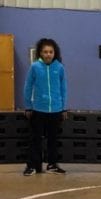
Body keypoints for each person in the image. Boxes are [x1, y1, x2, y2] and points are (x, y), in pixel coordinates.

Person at [23, 38, 68, 176]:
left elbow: (63, 88)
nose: (48, 54)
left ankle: (52, 165)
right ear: (40, 53)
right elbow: (28, 86)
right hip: (38, 110)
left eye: (51, 52)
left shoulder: (59, 67)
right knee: (35, 139)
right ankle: (32, 166)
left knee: (53, 139)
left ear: (55, 53)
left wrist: (63, 108)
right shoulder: (35, 67)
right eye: (45, 52)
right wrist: (28, 106)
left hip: (55, 110)